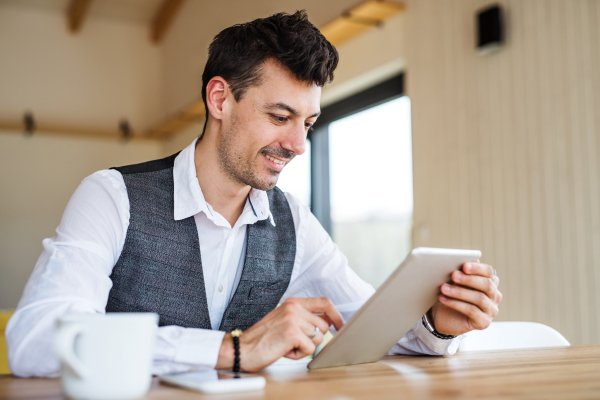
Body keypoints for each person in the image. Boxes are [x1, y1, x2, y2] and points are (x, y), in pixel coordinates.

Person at [6, 11, 502, 376]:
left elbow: (371, 330)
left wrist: (439, 324)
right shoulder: (111, 196)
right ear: (220, 98)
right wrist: (231, 350)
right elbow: (35, 339)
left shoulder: (293, 223)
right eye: (280, 117)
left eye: (308, 123)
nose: (297, 145)